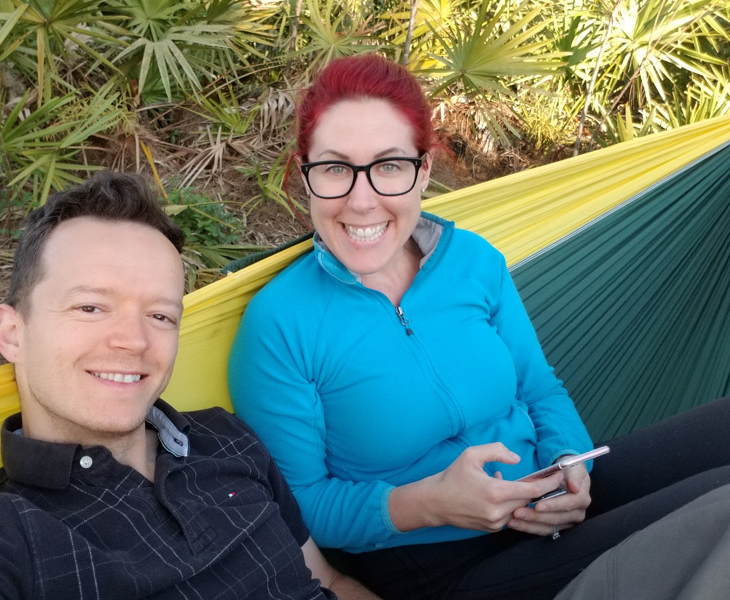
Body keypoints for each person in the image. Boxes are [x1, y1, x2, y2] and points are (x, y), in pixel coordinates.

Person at [227, 53, 730, 599]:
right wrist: (431, 502)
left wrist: (570, 463)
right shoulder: (280, 323)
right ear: (305, 175)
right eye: (334, 168)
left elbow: (539, 386)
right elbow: (302, 504)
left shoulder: (473, 260)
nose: (362, 198)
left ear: (423, 171)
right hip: (439, 561)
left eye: (389, 166)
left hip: (546, 492)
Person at [0, 172, 381, 600]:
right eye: (90, 307)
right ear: (12, 332)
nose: (135, 341)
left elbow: (329, 581)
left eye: (161, 316)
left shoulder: (227, 439)